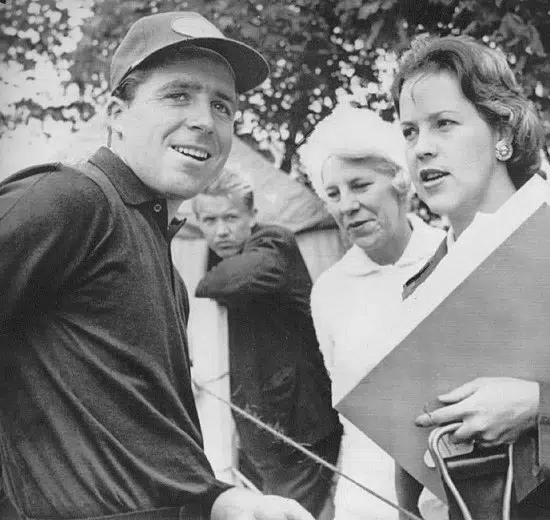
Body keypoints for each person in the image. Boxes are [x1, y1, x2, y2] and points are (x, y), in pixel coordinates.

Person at [0, 11, 314, 520]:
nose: (204, 120)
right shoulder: (69, 199)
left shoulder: (159, 252)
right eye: (178, 95)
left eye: (223, 106)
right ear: (116, 112)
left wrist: (222, 500)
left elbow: (145, 435)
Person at [391, 34, 550, 518]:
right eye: (409, 131)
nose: (422, 148)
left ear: (502, 133)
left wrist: (539, 406)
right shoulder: (419, 289)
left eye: (444, 124)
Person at [300, 106, 447, 519]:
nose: (347, 205)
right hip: (366, 495)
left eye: (360, 185)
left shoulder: (453, 255)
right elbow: (345, 399)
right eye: (333, 194)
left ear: (400, 183)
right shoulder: (329, 291)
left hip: (452, 490)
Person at [191, 169, 343, 520]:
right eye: (210, 220)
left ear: (253, 216)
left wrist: (202, 282)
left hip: (299, 429)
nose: (222, 231)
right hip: (256, 429)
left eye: (231, 218)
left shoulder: (275, 242)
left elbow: (237, 277)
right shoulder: (221, 252)